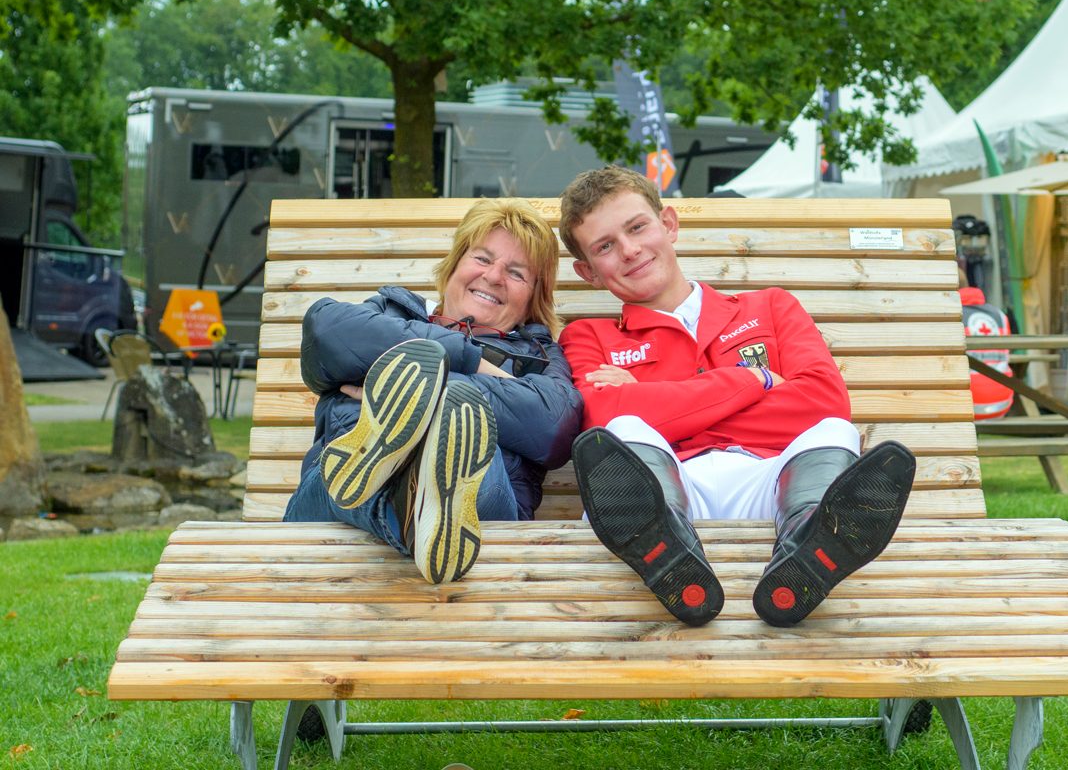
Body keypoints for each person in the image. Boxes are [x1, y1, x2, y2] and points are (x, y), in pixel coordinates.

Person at [557, 167, 916, 627]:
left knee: (833, 431)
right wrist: (757, 379)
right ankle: (666, 548)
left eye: (637, 227)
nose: (630, 251)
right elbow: (606, 419)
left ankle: (811, 545)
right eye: (605, 246)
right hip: (669, 486)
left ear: (668, 224)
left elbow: (825, 400)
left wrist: (655, 401)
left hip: (774, 486)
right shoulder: (590, 336)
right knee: (623, 433)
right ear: (587, 272)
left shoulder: (769, 306)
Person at [284, 198, 583, 584]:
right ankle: (412, 511)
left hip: (483, 516)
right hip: (329, 510)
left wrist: (421, 388)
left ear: (533, 296)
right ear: (456, 263)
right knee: (336, 472)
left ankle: (399, 479)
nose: (493, 277)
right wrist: (468, 359)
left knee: (463, 431)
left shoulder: (539, 358)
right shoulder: (391, 312)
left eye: (516, 273)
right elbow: (324, 333)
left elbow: (553, 427)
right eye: (482, 258)